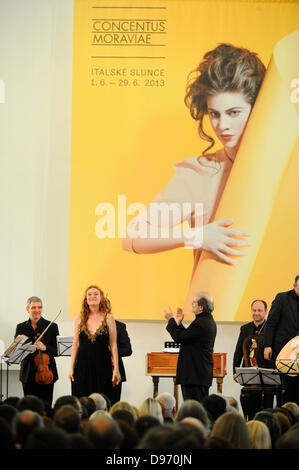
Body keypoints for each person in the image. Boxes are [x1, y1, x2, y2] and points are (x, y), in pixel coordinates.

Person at [122, 44, 265, 278]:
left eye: (234, 112)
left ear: (256, 108)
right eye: (214, 114)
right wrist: (197, 237)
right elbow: (131, 236)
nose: (222, 125)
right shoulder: (198, 174)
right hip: (214, 308)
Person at [69, 285, 121, 401]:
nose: (92, 296)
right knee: (82, 400)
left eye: (96, 294)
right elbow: (75, 344)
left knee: (102, 399)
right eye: (89, 294)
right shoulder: (79, 318)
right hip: (82, 366)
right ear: (86, 299)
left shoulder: (109, 318)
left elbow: (113, 345)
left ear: (101, 298)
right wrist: (71, 368)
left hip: (103, 365)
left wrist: (116, 369)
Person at [164, 292, 217, 403]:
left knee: (194, 411)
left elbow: (180, 338)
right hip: (197, 374)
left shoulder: (201, 322)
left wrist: (171, 320)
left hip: (195, 375)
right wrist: (178, 323)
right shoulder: (205, 320)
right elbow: (188, 337)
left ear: (201, 307)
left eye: (194, 302)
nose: (192, 304)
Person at [14, 296, 59, 406]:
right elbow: (16, 352)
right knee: (28, 407)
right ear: (27, 309)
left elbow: (58, 351)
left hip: (47, 373)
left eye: (39, 307)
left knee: (46, 406)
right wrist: (25, 350)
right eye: (33, 307)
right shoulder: (21, 327)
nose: (37, 310)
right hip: (28, 374)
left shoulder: (51, 326)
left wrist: (45, 348)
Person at [233, 299, 274, 419]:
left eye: (260, 310)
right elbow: (238, 351)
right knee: (250, 410)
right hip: (249, 374)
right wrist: (235, 371)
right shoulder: (244, 329)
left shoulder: (270, 329)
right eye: (254, 310)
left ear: (266, 312)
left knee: (266, 412)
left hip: (267, 375)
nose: (256, 313)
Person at [264, 275, 299, 405]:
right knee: (285, 390)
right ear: (294, 286)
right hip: (283, 352)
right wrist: (268, 345)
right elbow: (271, 323)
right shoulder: (282, 298)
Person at [110, 320, 132, 405]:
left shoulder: (119, 326)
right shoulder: (89, 323)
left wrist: (111, 352)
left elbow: (128, 350)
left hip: (113, 371)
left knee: (113, 404)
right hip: (94, 370)